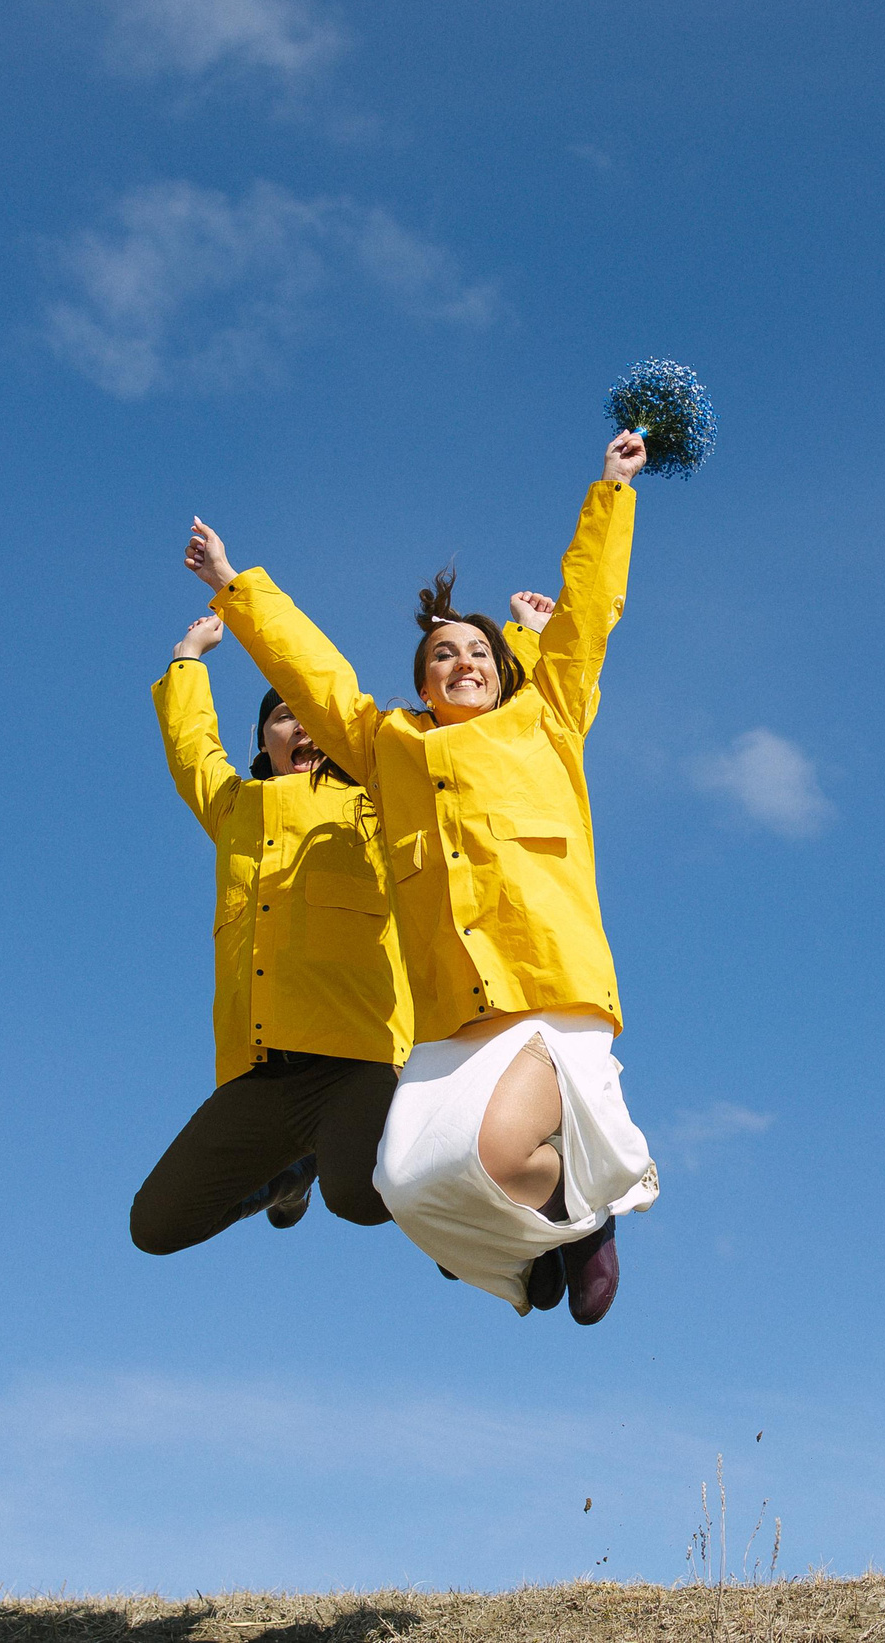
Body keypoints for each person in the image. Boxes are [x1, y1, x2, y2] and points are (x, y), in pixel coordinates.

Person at [185, 432, 656, 1323]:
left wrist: (612, 488)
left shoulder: (546, 719)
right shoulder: (388, 751)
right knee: (400, 1180)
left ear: (504, 667)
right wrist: (234, 586)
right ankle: (534, 1253)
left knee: (495, 1154)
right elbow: (315, 676)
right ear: (419, 683)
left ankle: (585, 1206)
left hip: (546, 989)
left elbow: (589, 611)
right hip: (451, 1012)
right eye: (441, 654)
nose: (462, 661)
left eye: (477, 651)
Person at [127, 612, 412, 1256]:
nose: (302, 724)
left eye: (312, 713)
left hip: (358, 1057)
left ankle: (482, 1227)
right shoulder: (235, 809)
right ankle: (286, 1176)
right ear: (263, 741)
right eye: (284, 715)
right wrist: (188, 659)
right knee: (157, 1227)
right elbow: (191, 749)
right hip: (261, 1071)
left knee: (360, 1198)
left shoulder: (377, 801)